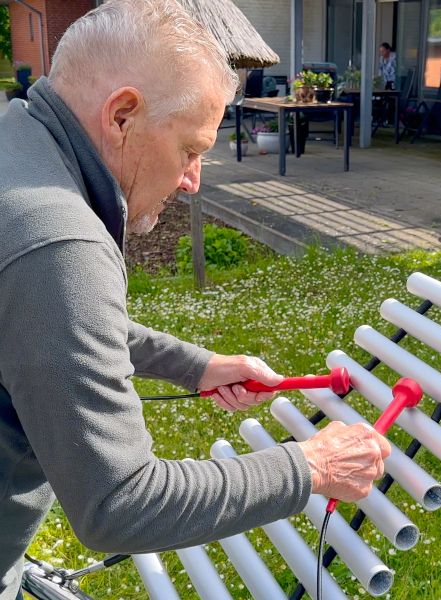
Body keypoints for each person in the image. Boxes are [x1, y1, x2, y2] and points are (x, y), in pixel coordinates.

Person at [0, 1, 391, 598]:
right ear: (123, 115)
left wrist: (194, 366)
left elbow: (42, 324)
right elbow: (119, 502)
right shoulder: (59, 241)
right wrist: (312, 467)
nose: (193, 179)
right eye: (191, 149)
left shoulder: (16, 136)